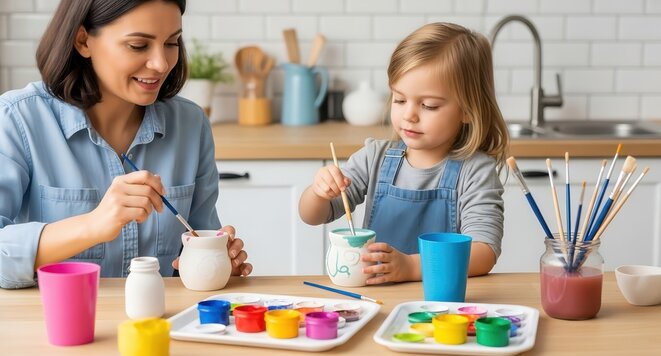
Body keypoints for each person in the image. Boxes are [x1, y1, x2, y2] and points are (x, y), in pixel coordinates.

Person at [0, 0, 252, 289]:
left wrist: (214, 262)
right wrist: (92, 225)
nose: (161, 63)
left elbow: (192, 242)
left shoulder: (190, 124)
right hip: (57, 330)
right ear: (83, 41)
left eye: (172, 43)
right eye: (138, 45)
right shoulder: (17, 119)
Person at [299, 22, 509, 285]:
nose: (409, 115)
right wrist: (318, 192)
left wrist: (411, 266)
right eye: (399, 100)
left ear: (468, 110)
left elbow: (484, 251)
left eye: (429, 105)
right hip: (378, 299)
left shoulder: (475, 171)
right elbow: (311, 215)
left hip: (442, 306)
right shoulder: (375, 157)